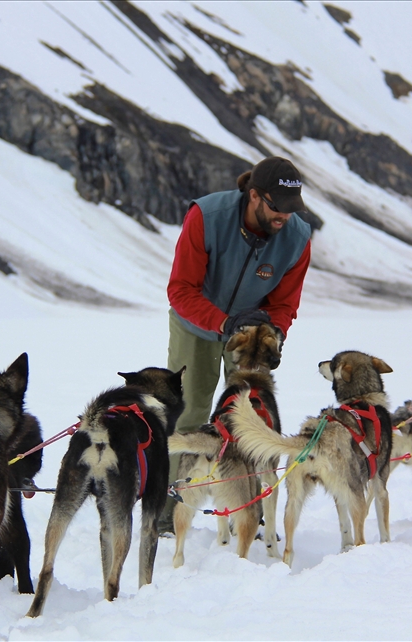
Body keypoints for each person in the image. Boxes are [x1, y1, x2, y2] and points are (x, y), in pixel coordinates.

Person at [160, 156, 313, 532]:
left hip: (250, 334)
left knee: (251, 418)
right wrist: (225, 323)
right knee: (188, 413)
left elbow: (284, 304)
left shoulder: (297, 237)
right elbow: (181, 289)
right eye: (278, 207)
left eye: (291, 209)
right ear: (255, 196)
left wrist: (273, 334)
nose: (285, 217)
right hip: (195, 326)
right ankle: (168, 510)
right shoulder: (207, 216)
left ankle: (250, 511)